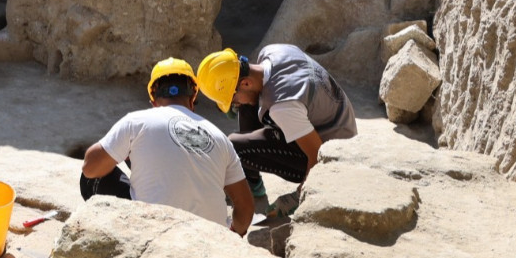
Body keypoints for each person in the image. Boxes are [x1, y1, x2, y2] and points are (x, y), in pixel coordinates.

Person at [80, 57, 254, 236]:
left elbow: (90, 168)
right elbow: (246, 208)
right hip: (210, 240)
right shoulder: (220, 137)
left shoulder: (136, 122)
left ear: (153, 100)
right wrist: (234, 234)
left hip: (156, 234)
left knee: (92, 178)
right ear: (192, 98)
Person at [195, 45, 358, 216]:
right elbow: (256, 94)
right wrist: (239, 102)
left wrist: (299, 196)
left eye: (232, 99)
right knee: (248, 103)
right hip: (335, 122)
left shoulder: (283, 106)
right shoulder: (274, 51)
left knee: (235, 146)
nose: (234, 104)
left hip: (336, 157)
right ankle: (251, 181)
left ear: (245, 82)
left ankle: (251, 181)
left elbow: (317, 155)